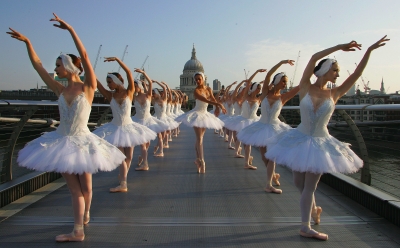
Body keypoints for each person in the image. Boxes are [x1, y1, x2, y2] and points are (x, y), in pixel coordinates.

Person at [8, 13, 126, 242]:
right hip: (62, 141)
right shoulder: (60, 90)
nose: (56, 68)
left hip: (82, 141)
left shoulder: (88, 87)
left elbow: (84, 55)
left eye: (59, 65)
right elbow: (38, 67)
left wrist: (70, 29)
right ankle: (78, 229)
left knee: (87, 187)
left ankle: (83, 220)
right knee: (75, 189)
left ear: (70, 67)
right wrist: (28, 43)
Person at [265, 36, 389, 240]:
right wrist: (340, 47)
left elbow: (357, 74)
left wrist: (369, 51)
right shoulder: (305, 86)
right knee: (298, 182)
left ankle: (305, 226)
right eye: (335, 70)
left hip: (320, 144)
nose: (338, 74)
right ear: (325, 70)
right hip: (299, 139)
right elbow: (314, 57)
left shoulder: (336, 92)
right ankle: (314, 211)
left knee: (309, 186)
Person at [93, 57, 157, 192]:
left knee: (129, 157)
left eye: (110, 82)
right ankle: (123, 182)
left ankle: (123, 179)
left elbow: (128, 73)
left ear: (116, 81)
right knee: (121, 156)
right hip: (116, 128)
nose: (108, 85)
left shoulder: (129, 91)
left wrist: (117, 60)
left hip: (129, 127)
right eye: (107, 82)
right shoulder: (110, 95)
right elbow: (96, 83)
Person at [237, 60, 298, 193]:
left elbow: (298, 88)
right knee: (264, 157)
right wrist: (282, 63)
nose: (285, 84)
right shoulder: (265, 92)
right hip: (262, 126)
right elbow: (268, 75)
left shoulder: (283, 97)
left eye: (286, 82)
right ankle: (273, 175)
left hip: (275, 128)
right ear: (276, 81)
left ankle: (268, 184)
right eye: (283, 81)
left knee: (271, 156)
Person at [175, 72, 226, 173]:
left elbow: (212, 98)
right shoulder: (196, 91)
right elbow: (205, 100)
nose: (197, 81)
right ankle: (202, 161)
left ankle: (198, 159)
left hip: (205, 115)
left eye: (199, 79)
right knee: (199, 138)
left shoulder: (209, 89)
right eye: (196, 79)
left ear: (203, 79)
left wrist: (216, 107)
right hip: (197, 114)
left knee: (200, 138)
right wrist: (218, 104)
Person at [131, 69, 170, 170]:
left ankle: (145, 162)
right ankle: (144, 160)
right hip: (138, 121)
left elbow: (150, 84)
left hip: (148, 121)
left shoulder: (149, 96)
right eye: (133, 86)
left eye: (135, 86)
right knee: (144, 144)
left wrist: (144, 74)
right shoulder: (134, 97)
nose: (134, 88)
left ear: (139, 87)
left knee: (146, 143)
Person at [151, 80, 180, 156]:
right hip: (157, 120)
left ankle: (158, 147)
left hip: (164, 119)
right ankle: (161, 151)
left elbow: (164, 88)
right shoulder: (153, 100)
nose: (153, 94)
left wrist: (158, 82)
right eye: (152, 93)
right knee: (160, 136)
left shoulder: (164, 99)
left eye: (154, 93)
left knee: (163, 135)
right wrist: (146, 85)